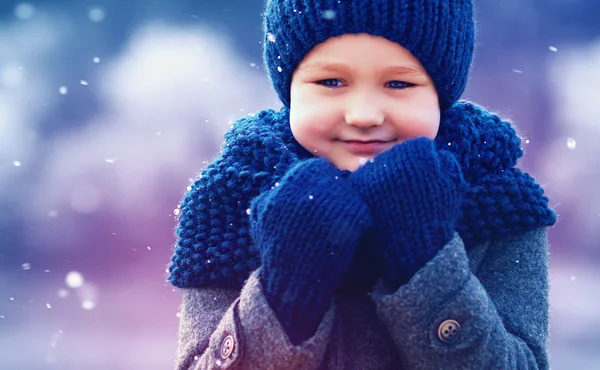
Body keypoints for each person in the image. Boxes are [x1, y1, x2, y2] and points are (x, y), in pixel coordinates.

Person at [167, 0, 556, 368]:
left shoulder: (499, 202)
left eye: (399, 85)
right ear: (289, 89)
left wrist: (426, 258)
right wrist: (286, 289)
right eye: (332, 81)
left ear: (441, 93)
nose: (364, 114)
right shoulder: (230, 202)